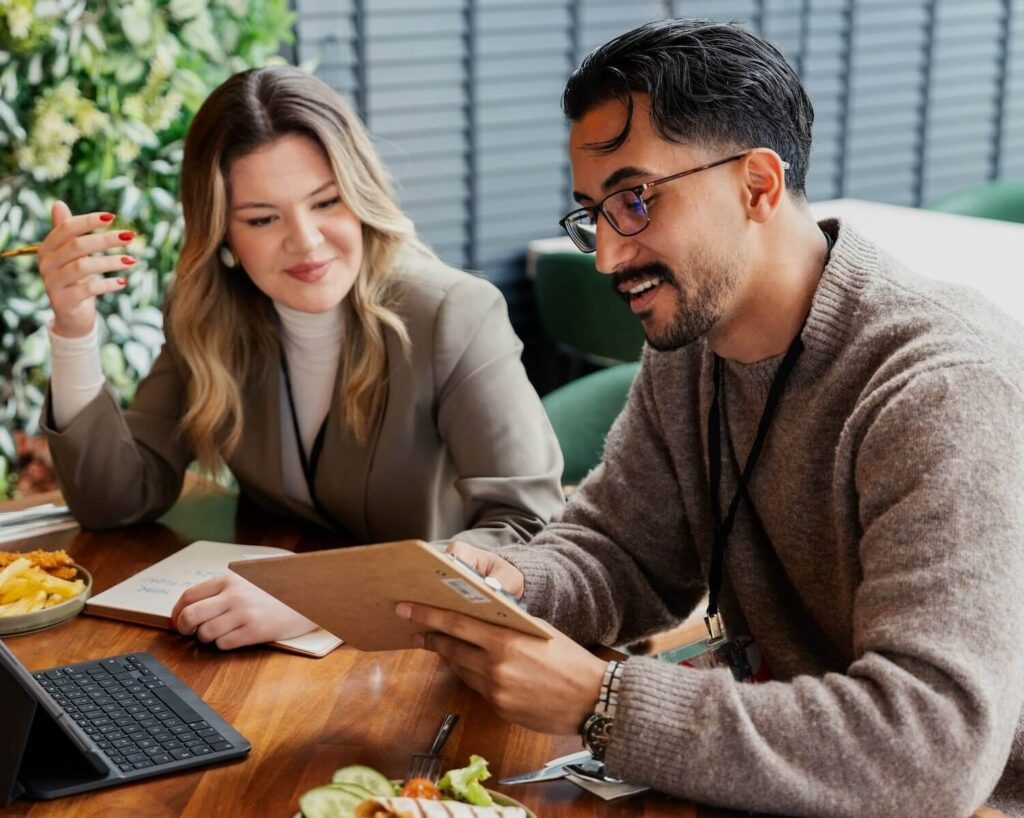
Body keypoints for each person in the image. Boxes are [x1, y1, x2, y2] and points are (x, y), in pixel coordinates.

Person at [394, 19, 1024, 817]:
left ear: (757, 185)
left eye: (635, 200)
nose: (607, 257)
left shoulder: (940, 389)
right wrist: (517, 584)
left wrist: (604, 700)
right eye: (594, 212)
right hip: (796, 777)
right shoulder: (694, 344)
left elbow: (932, 747)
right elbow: (625, 550)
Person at [37, 66, 564, 650]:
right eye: (263, 219)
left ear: (362, 195)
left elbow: (528, 532)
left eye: (326, 202)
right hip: (275, 658)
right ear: (223, 235)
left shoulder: (453, 313)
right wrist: (74, 328)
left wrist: (317, 597)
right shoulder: (209, 314)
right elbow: (116, 500)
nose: (307, 241)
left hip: (426, 651)